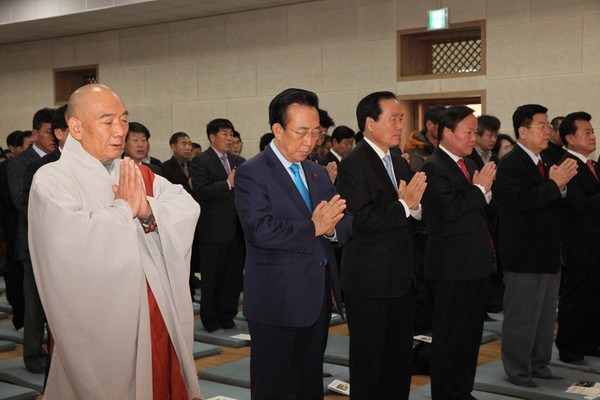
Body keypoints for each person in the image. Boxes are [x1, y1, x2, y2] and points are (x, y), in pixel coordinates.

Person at [28, 84, 202, 399]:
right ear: (76, 127)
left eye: (124, 119)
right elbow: (71, 241)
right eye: (108, 122)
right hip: (100, 323)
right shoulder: (52, 179)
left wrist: (148, 210)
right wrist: (126, 209)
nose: (120, 130)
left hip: (155, 309)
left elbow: (186, 206)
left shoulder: (136, 173)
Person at [234, 88, 352, 399]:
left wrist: (329, 231)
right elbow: (260, 230)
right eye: (302, 132)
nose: (310, 142)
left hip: (317, 296)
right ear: (277, 129)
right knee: (274, 385)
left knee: (308, 382)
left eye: (316, 133)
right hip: (277, 299)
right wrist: (314, 227)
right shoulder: (252, 172)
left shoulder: (316, 172)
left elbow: (343, 218)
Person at [337, 91, 427, 400]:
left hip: (401, 277)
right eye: (393, 118)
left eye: (401, 118)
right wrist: (404, 206)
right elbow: (362, 219)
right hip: (369, 281)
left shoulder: (398, 162)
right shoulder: (353, 164)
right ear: (370, 123)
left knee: (398, 361)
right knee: (369, 363)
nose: (400, 125)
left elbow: (408, 213)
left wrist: (414, 209)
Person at [495, 104, 577, 388]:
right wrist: (555, 185)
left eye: (547, 126)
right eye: (541, 126)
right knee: (522, 316)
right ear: (523, 131)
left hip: (547, 250)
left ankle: (539, 364)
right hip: (523, 254)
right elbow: (522, 203)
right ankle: (518, 370)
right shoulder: (510, 164)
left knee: (544, 317)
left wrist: (560, 186)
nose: (548, 132)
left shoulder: (542, 161)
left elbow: (550, 201)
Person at [421, 105, 496, 400]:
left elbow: (484, 206)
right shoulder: (433, 167)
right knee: (450, 337)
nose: (473, 138)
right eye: (468, 132)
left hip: (475, 264)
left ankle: (462, 391)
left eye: (475, 132)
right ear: (447, 132)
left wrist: (483, 192)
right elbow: (449, 210)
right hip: (450, 267)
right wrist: (479, 192)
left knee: (470, 336)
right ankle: (445, 394)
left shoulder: (471, 162)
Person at [8, 107, 56, 373]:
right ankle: (34, 355)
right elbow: (21, 202)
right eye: (49, 132)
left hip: (62, 245)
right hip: (33, 243)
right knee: (35, 306)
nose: (54, 137)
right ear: (35, 133)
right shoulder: (19, 163)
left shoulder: (60, 160)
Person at [191, 118, 245, 332]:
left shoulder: (238, 161)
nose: (230, 138)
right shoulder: (200, 161)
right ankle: (210, 319)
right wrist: (227, 184)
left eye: (231, 134)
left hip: (236, 229)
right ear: (212, 137)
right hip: (212, 231)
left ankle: (228, 315)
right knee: (212, 278)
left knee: (232, 277)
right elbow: (201, 191)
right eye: (225, 134)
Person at [555, 112, 600, 364]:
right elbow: (578, 204)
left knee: (594, 295)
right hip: (578, 242)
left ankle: (590, 341)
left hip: (594, 241)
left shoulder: (591, 163)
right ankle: (569, 346)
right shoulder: (567, 165)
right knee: (576, 295)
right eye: (587, 132)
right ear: (570, 138)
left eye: (593, 132)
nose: (593, 137)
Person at [404, 105, 446, 171]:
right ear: (429, 125)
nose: (447, 130)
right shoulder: (415, 152)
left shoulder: (447, 147)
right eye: (443, 126)